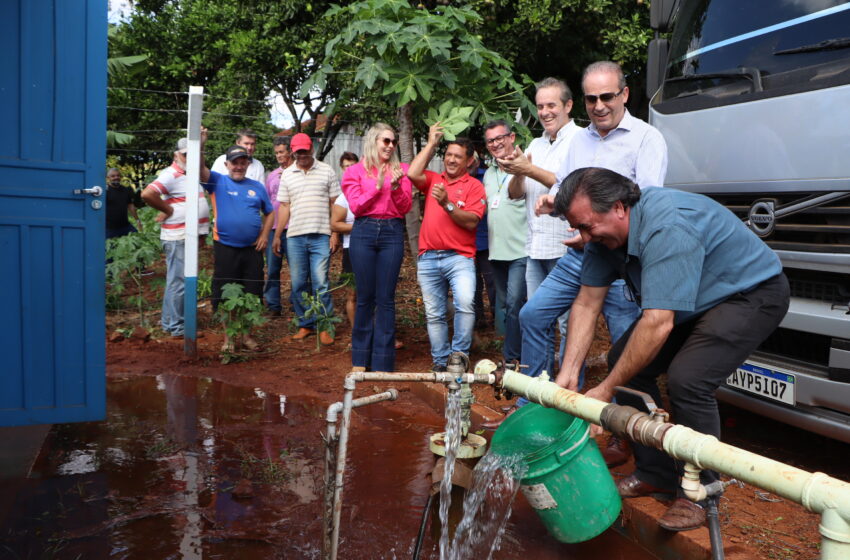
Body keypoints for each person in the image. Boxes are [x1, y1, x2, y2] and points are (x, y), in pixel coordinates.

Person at [553, 167, 789, 532]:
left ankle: (700, 492)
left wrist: (602, 391)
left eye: (587, 226)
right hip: (695, 296)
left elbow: (658, 321)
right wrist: (569, 374)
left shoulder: (668, 227)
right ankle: (655, 471)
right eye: (578, 228)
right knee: (622, 361)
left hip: (749, 293)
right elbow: (587, 302)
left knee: (689, 379)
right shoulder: (603, 236)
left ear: (618, 208)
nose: (583, 237)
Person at [493, 63, 668, 434]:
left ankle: (625, 433)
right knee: (532, 316)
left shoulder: (646, 138)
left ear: (624, 94)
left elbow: (648, 203)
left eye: (607, 96)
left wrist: (597, 231)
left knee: (625, 345)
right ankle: (536, 403)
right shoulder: (580, 140)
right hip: (581, 252)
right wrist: (554, 204)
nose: (599, 105)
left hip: (623, 258)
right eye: (592, 98)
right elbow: (567, 190)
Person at [407, 123, 486, 372]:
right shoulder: (433, 179)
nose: (451, 160)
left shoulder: (475, 186)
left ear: (469, 161)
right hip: (428, 257)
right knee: (434, 314)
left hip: (459, 258)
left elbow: (472, 220)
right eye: (448, 154)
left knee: (465, 304)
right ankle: (440, 363)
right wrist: (431, 143)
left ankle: (458, 359)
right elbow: (412, 173)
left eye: (457, 156)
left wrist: (447, 204)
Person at [341, 125, 413, 372]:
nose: (391, 146)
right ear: (373, 141)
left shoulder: (401, 171)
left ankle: (383, 360)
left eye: (393, 142)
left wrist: (393, 188)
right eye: (386, 141)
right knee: (364, 297)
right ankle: (360, 358)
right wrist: (377, 185)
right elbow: (357, 207)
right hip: (364, 231)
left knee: (386, 298)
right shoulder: (353, 172)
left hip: (392, 232)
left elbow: (404, 208)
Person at [204, 144, 274, 352]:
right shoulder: (217, 181)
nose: (239, 166)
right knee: (227, 293)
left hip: (252, 250)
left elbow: (269, 213)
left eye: (243, 162)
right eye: (235, 162)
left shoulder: (257, 186)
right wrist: (201, 143)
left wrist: (264, 235)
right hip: (226, 247)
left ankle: (246, 335)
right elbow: (199, 168)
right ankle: (229, 338)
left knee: (252, 292)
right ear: (227, 164)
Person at [272, 133, 341, 345]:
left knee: (321, 282)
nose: (302, 155)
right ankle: (305, 324)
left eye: (305, 150)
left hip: (320, 235)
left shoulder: (326, 170)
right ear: (293, 151)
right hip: (294, 237)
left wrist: (335, 232)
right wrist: (277, 235)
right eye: (298, 151)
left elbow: (335, 203)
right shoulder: (287, 175)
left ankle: (325, 324)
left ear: (311, 149)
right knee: (299, 283)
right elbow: (284, 206)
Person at [141, 136, 211, 338]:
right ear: (176, 155)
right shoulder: (171, 173)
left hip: (187, 235)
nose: (189, 158)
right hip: (178, 235)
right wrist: (168, 209)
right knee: (178, 280)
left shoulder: (191, 172)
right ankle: (176, 326)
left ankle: (171, 323)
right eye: (185, 154)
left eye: (192, 154)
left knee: (179, 279)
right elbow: (147, 194)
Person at [481, 120, 527, 365]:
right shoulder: (489, 173)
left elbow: (517, 191)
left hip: (522, 250)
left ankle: (514, 359)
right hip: (497, 252)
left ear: (511, 137)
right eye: (491, 141)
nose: (496, 143)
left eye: (500, 138)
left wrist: (519, 170)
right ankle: (515, 355)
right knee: (506, 307)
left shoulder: (525, 165)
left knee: (514, 305)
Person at [263, 135, 293, 315]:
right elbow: (267, 202)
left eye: (282, 152)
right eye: (276, 153)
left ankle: (298, 303)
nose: (279, 156)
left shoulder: (297, 171)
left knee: (297, 269)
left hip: (292, 227)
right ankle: (274, 305)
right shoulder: (272, 175)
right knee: (273, 268)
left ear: (290, 151)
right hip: (273, 228)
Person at [332, 152, 359, 330]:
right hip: (352, 249)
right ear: (342, 170)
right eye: (345, 167)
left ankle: (380, 334)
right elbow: (335, 224)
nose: (349, 170)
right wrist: (360, 227)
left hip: (374, 247)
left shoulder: (370, 189)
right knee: (353, 294)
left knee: (377, 295)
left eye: (353, 166)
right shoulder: (343, 198)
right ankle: (357, 334)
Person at [105, 168, 142, 239]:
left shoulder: (125, 190)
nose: (116, 177)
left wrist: (138, 220)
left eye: (118, 175)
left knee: (138, 240)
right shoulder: (104, 191)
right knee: (111, 249)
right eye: (113, 176)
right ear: (108, 178)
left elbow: (130, 206)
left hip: (125, 226)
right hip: (109, 228)